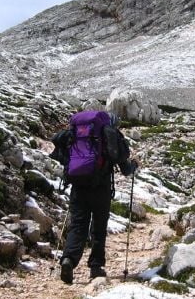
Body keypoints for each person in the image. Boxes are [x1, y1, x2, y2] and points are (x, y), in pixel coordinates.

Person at [53, 111, 137, 284]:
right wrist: (133, 165)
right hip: (101, 187)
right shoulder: (110, 135)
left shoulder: (77, 134)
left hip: (78, 187)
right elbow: (125, 168)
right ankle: (96, 266)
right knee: (99, 226)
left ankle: (68, 259)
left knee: (78, 224)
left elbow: (63, 158)